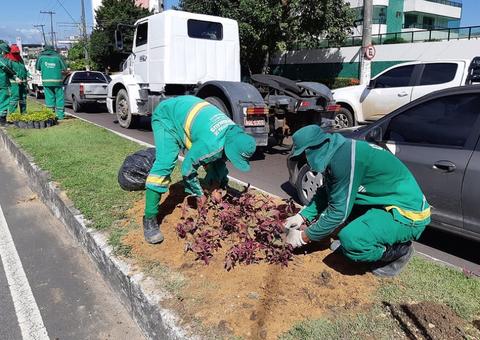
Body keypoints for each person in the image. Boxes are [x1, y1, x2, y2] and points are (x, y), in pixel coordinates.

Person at [284, 125, 431, 277]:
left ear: (318, 146)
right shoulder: (336, 150)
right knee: (343, 226)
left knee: (352, 240)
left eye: (307, 153)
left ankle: (398, 252)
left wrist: (303, 237)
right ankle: (367, 233)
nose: (306, 158)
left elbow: (338, 214)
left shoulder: (344, 159)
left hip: (406, 213)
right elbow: (327, 190)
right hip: (383, 202)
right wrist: (303, 216)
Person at [144, 95, 256, 244]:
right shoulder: (211, 145)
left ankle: (214, 187)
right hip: (167, 117)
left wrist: (216, 188)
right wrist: (198, 193)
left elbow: (219, 162)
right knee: (165, 163)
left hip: (188, 111)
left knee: (215, 160)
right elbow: (187, 168)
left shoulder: (234, 132)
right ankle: (149, 218)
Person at [35, 46, 67, 120]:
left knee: (49, 98)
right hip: (57, 81)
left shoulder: (41, 57)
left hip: (46, 81)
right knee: (59, 98)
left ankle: (51, 115)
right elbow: (64, 68)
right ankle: (60, 116)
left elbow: (37, 67)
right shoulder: (58, 56)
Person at [0, 41, 21, 125]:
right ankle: (2, 120)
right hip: (2, 83)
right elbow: (6, 68)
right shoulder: (2, 60)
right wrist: (15, 76)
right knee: (4, 100)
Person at [6, 44, 28, 114]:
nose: (16, 54)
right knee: (14, 98)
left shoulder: (20, 59)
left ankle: (23, 113)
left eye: (17, 52)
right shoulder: (8, 60)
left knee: (23, 98)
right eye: (14, 53)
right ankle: (13, 115)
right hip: (14, 83)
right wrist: (15, 78)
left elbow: (24, 69)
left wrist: (28, 75)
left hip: (23, 81)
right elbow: (8, 72)